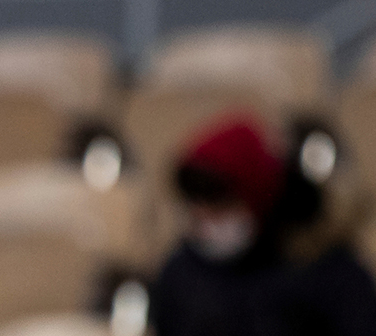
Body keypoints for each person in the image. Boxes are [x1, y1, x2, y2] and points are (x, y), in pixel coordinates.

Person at [150, 113, 376, 336]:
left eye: (218, 198)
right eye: (194, 198)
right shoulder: (183, 273)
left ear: (253, 197)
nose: (204, 213)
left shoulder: (326, 268)